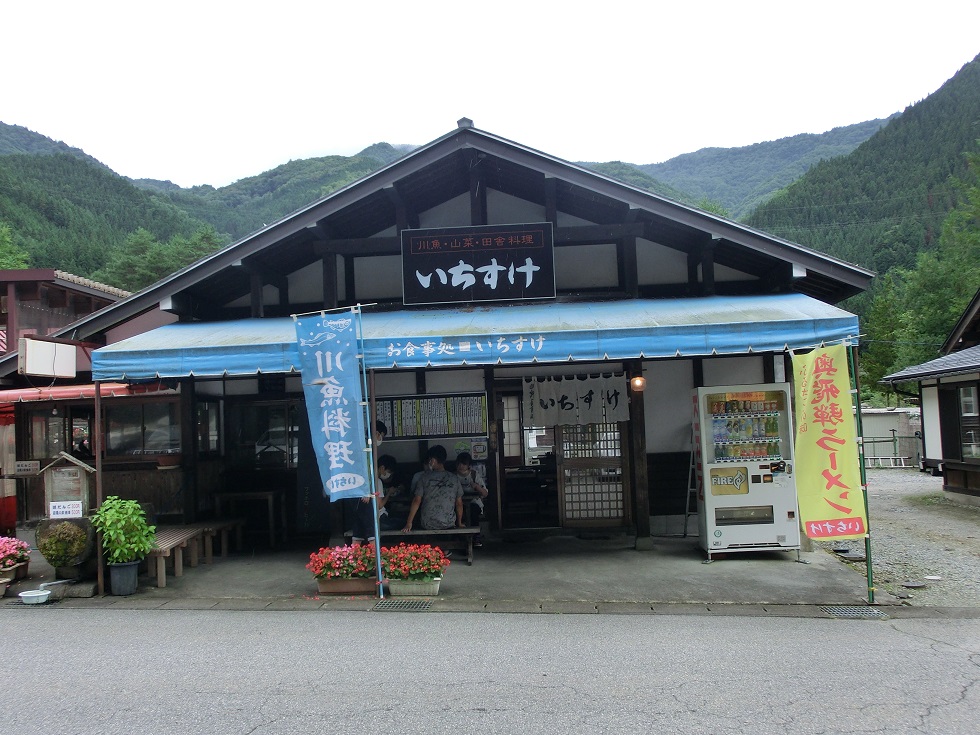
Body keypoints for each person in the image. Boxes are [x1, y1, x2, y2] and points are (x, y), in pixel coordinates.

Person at [403, 445, 463, 532]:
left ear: (433, 460)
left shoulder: (424, 478)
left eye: (430, 460)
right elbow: (459, 503)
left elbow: (417, 500)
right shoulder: (454, 478)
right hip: (448, 523)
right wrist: (460, 523)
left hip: (427, 523)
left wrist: (409, 523)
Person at [453, 451, 488, 546]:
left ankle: (476, 537)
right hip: (457, 504)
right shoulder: (453, 476)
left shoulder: (474, 475)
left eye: (464, 464)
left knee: (473, 511)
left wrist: (476, 486)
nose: (461, 466)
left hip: (474, 502)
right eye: (459, 463)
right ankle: (459, 538)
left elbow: (485, 493)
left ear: (468, 465)